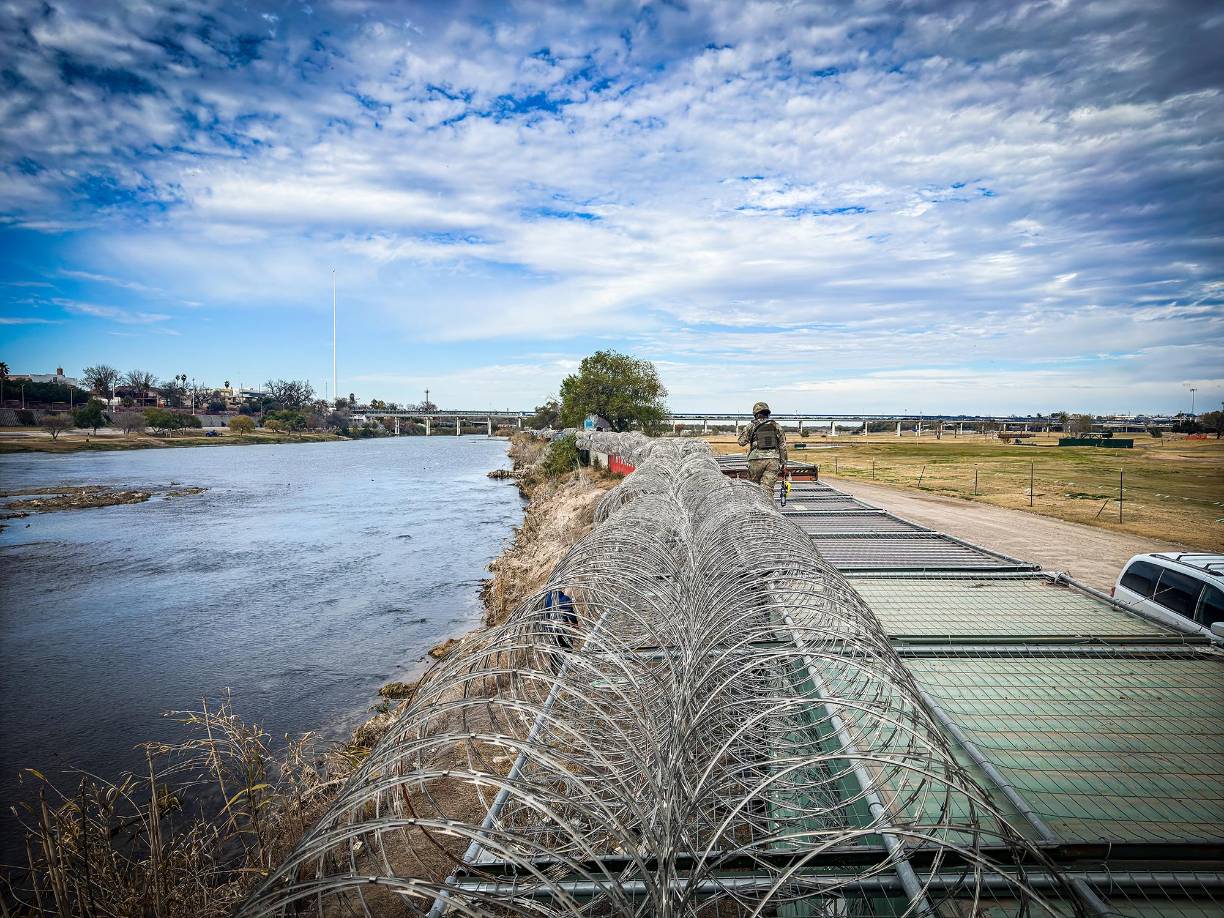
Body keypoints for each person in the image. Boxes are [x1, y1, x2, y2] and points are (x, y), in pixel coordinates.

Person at [737, 401, 787, 492]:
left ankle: (754, 506)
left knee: (753, 489)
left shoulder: (751, 426)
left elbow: (741, 442)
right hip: (773, 460)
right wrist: (784, 463)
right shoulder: (776, 425)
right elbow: (782, 445)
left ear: (755, 413)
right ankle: (768, 506)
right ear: (767, 413)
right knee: (768, 489)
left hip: (755, 460)